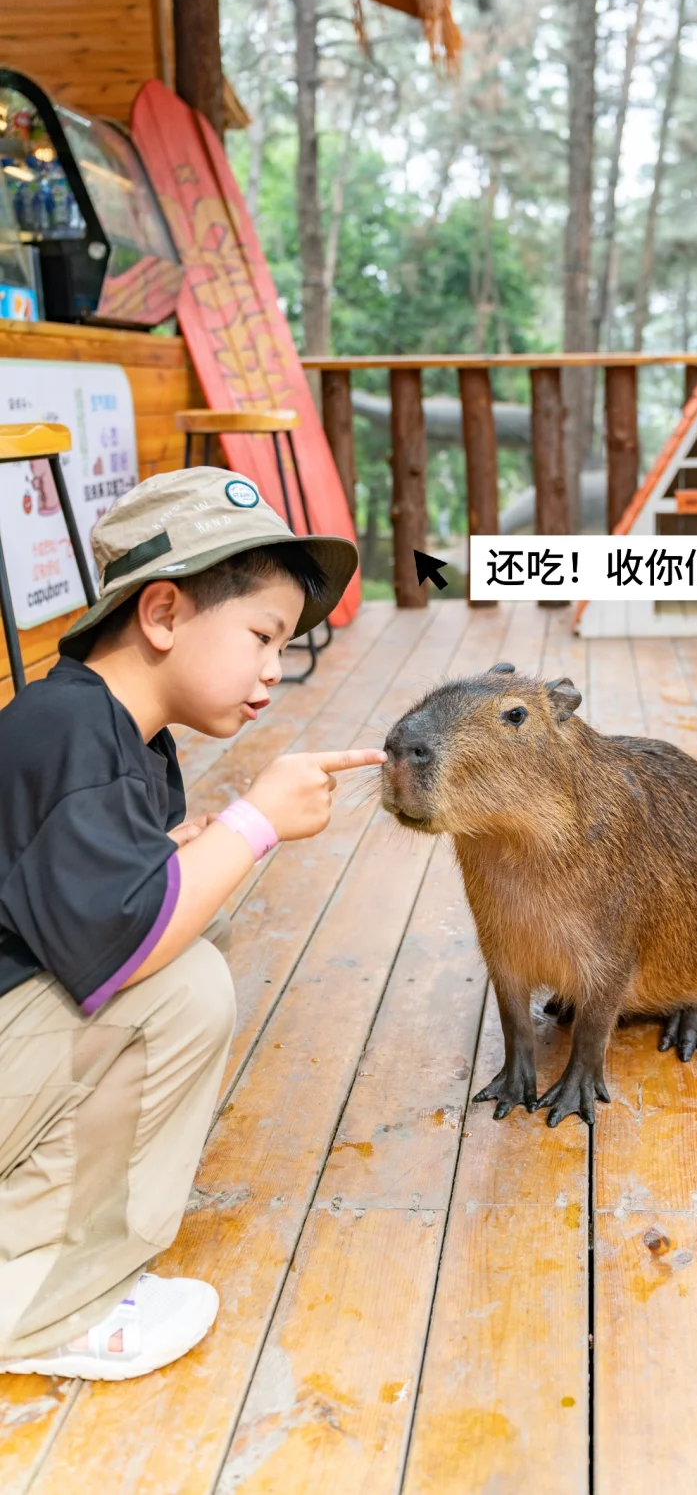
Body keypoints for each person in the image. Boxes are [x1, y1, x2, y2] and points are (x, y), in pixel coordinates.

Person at [0, 467, 385, 1381]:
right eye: (261, 635)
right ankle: (41, 1300)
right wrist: (253, 822)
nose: (271, 670)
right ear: (163, 613)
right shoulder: (70, 733)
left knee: (182, 963)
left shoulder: (109, 730)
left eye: (284, 646)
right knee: (180, 988)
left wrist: (185, 849)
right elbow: (126, 948)